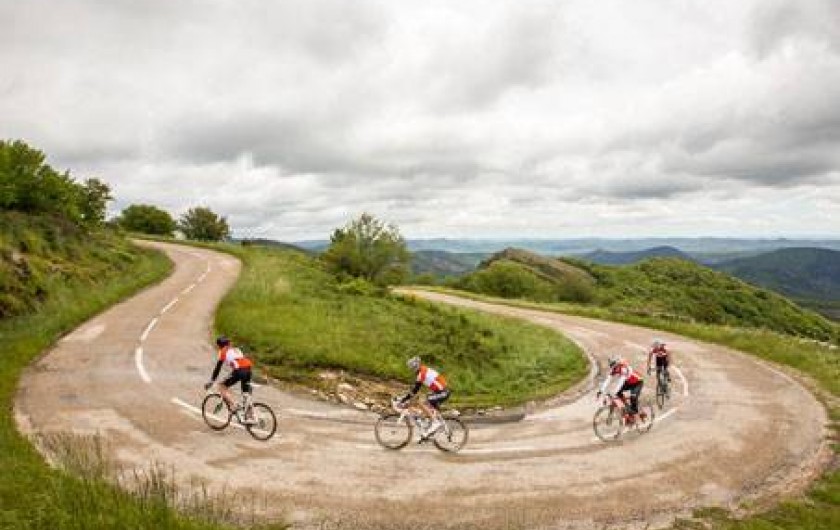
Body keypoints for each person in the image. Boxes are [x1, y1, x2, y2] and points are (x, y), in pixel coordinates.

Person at [204, 336, 256, 424]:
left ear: (219, 346)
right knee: (245, 394)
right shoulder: (236, 349)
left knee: (221, 386)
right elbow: (240, 361)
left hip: (239, 371)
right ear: (228, 343)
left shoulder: (222, 352)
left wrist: (211, 381)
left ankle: (234, 405)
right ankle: (250, 416)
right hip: (248, 369)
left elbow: (218, 368)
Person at [399, 356, 450, 439]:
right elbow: (414, 388)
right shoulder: (422, 371)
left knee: (422, 402)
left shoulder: (422, 373)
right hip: (440, 391)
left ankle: (435, 422)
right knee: (421, 401)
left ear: (416, 366)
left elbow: (415, 389)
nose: (412, 370)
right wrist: (406, 397)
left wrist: (403, 399)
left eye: (412, 367)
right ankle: (428, 426)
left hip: (443, 392)